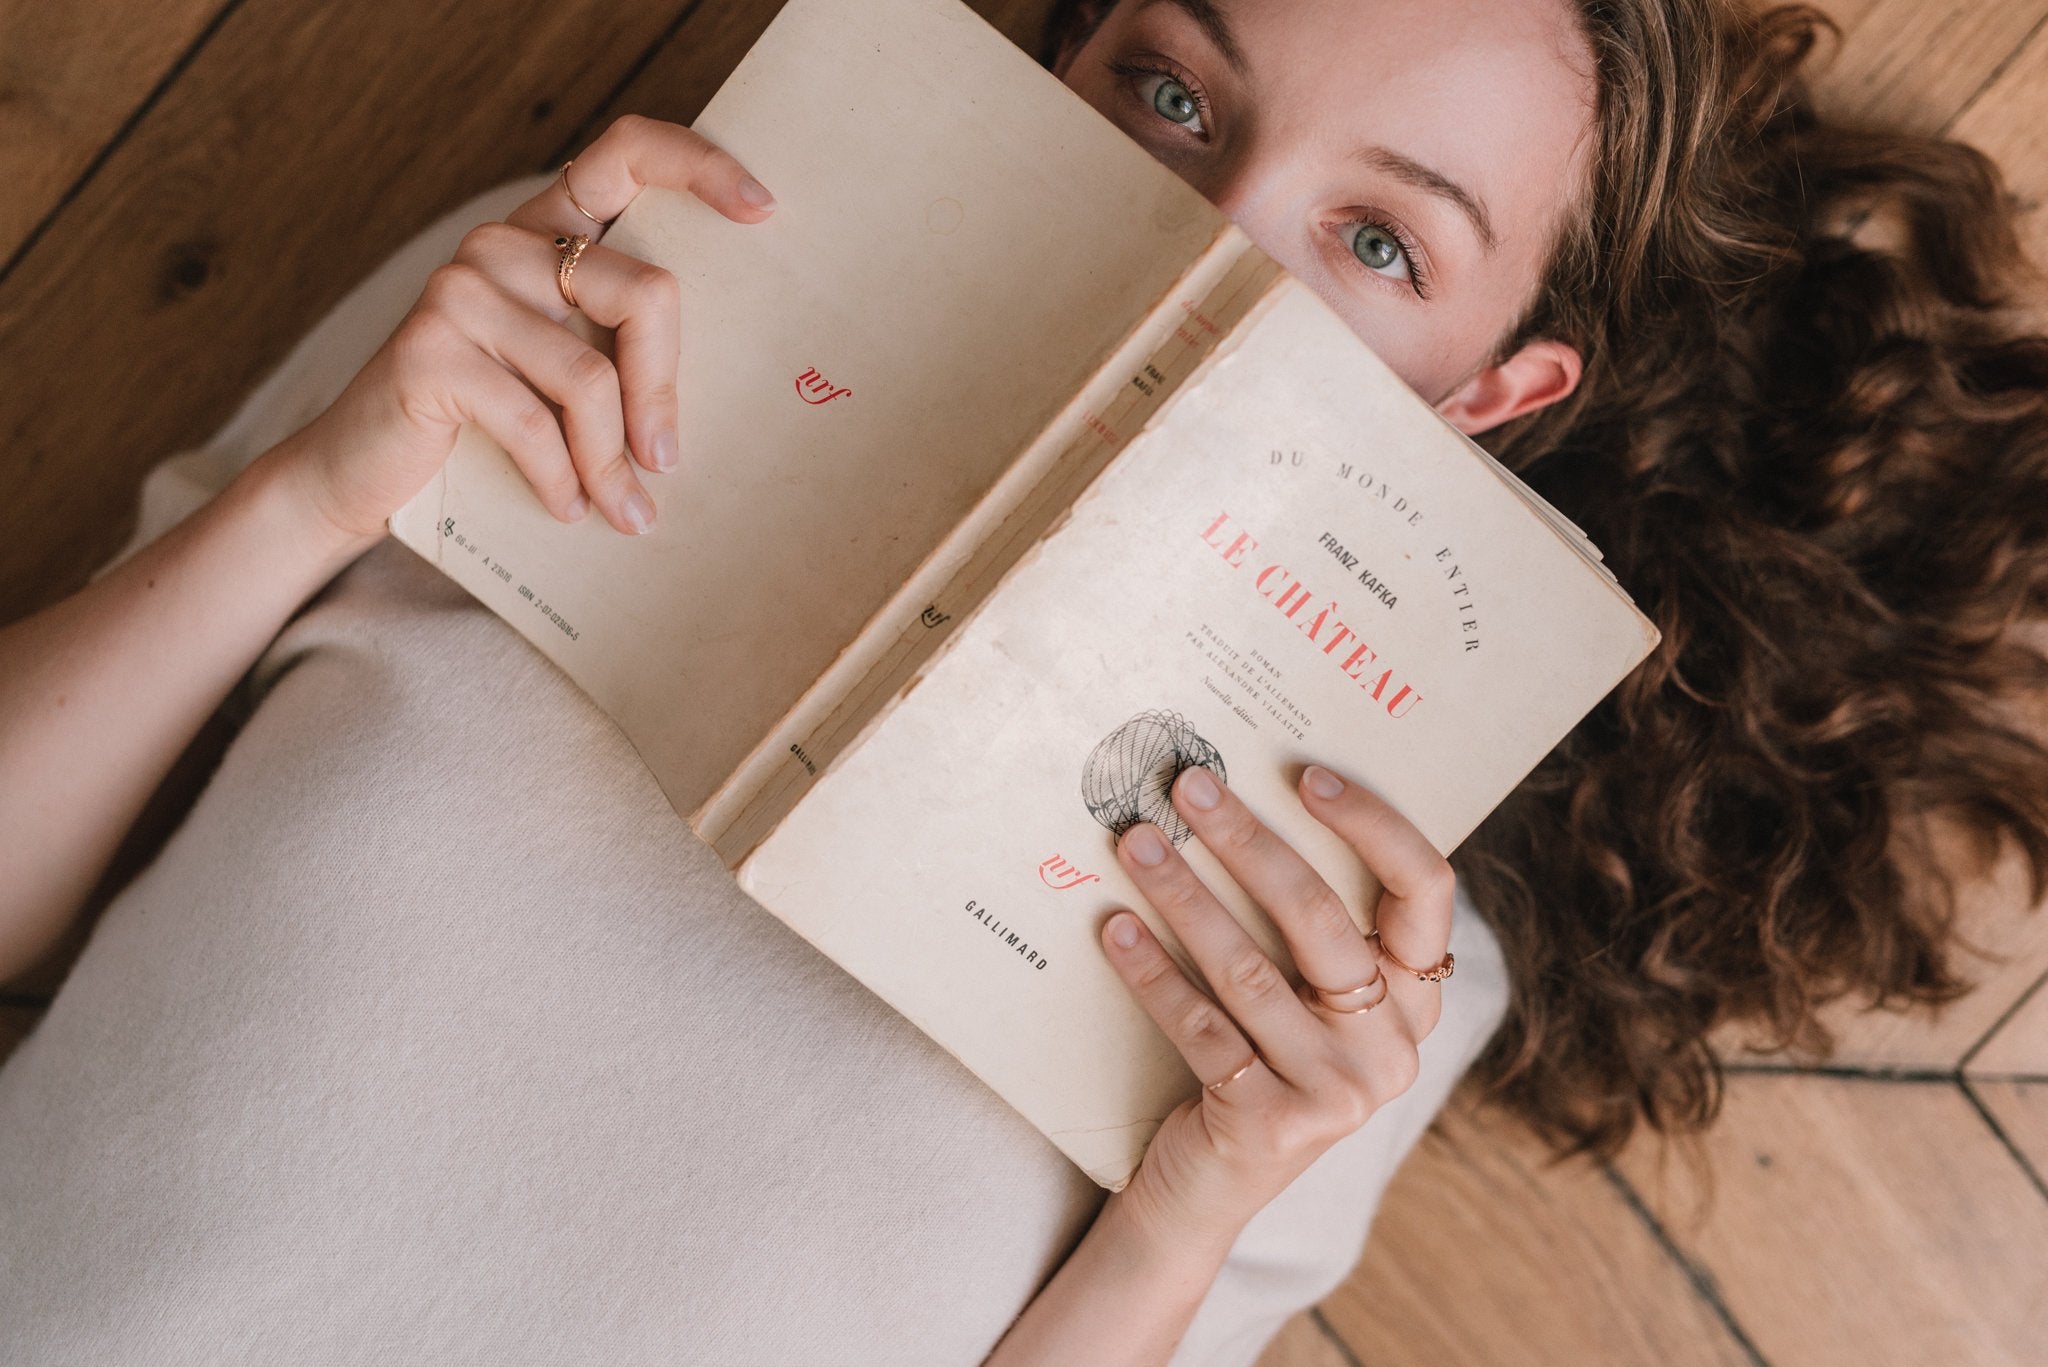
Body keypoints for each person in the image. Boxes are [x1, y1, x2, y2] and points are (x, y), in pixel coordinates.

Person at [1, 0, 2042, 1361]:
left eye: (1379, 245)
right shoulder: (598, 297)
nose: (1207, 236)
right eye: (1170, 94)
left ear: (1490, 397)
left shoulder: (1373, 976)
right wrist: (305, 496)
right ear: (1060, 64)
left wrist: (1194, 1205)